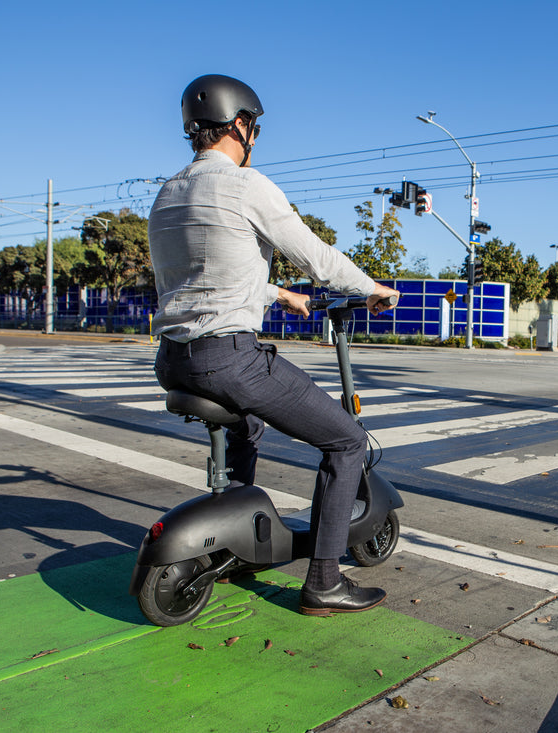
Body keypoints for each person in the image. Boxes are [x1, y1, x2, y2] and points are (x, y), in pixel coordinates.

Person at [149, 74, 400, 616]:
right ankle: (325, 581)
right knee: (347, 441)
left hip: (172, 360)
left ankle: (232, 541)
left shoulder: (168, 193)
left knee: (248, 426)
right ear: (240, 124)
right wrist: (373, 289)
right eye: (254, 127)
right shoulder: (246, 185)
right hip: (228, 359)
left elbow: (202, 275)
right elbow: (317, 257)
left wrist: (278, 294)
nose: (255, 138)